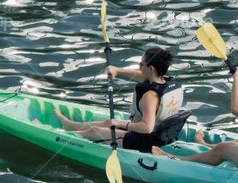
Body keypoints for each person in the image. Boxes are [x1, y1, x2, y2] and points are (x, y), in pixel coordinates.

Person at [55, 47, 184, 153]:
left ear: (151, 68)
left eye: (141, 64)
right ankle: (70, 125)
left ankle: (62, 136)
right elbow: (143, 77)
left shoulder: (149, 97)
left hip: (144, 142)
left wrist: (121, 123)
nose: (139, 67)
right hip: (162, 136)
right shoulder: (167, 82)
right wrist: (118, 71)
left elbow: (147, 127)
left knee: (94, 132)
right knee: (108, 122)